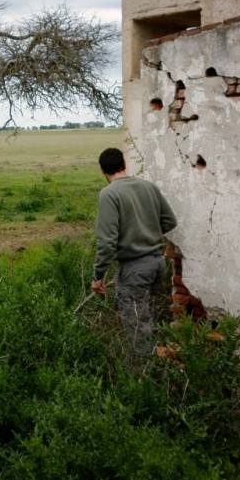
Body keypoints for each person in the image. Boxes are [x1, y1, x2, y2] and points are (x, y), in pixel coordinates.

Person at [91, 147, 177, 357]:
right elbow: (170, 221)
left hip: (134, 269)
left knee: (137, 328)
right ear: (124, 164)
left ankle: (143, 378)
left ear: (102, 170)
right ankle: (162, 365)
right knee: (147, 318)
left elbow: (107, 243)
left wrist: (98, 276)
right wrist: (148, 234)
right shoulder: (148, 187)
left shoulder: (109, 194)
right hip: (157, 263)